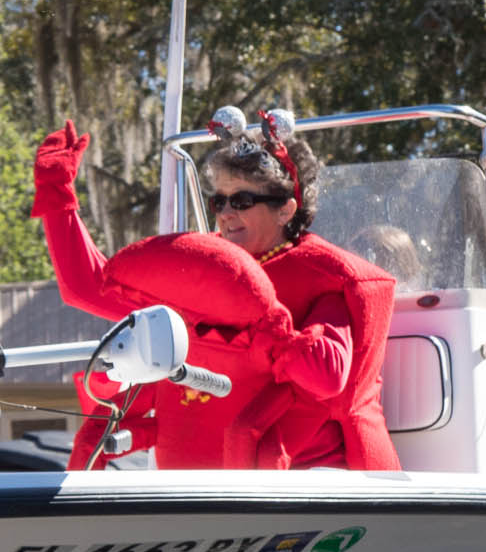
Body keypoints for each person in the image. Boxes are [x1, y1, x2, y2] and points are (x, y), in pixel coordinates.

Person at [30, 114, 399, 470]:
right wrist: (56, 195)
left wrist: (269, 327)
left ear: (286, 209)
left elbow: (327, 376)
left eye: (241, 201)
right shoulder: (200, 269)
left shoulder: (321, 277)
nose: (225, 214)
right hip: (192, 494)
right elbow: (91, 288)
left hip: (301, 487)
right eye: (218, 201)